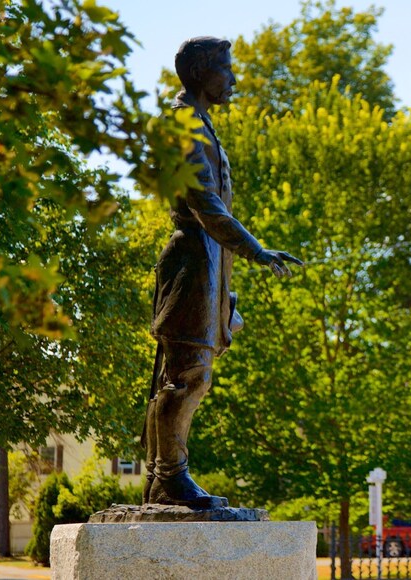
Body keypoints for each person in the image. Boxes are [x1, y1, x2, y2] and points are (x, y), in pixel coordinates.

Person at [142, 36, 302, 509]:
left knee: (190, 374)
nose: (233, 79)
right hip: (193, 260)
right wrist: (257, 251)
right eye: (225, 69)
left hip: (210, 262)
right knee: (188, 375)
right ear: (198, 72)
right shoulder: (183, 123)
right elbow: (206, 204)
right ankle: (169, 476)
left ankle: (162, 477)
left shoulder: (200, 122)